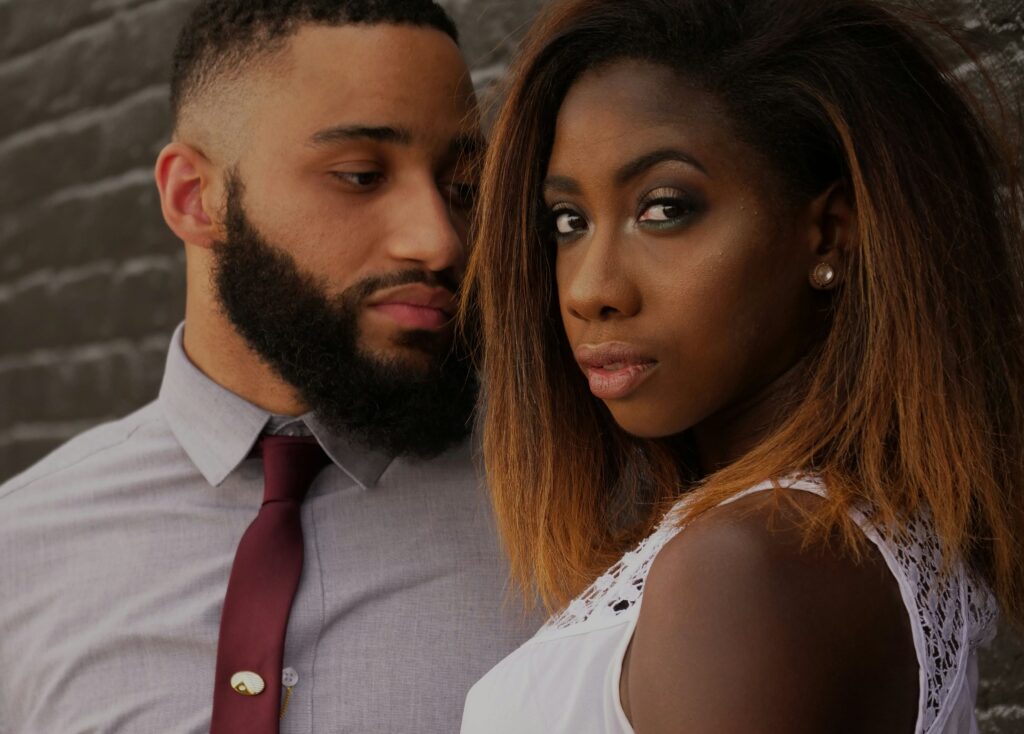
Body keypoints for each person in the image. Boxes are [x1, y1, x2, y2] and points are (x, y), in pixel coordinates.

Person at [460, 0, 1024, 731]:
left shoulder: (747, 570)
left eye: (663, 209)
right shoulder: (847, 541)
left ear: (828, 237)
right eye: (569, 221)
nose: (590, 289)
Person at [0, 1, 532, 732]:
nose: (438, 240)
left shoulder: (570, 513)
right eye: (358, 175)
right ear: (195, 198)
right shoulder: (21, 548)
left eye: (463, 185)